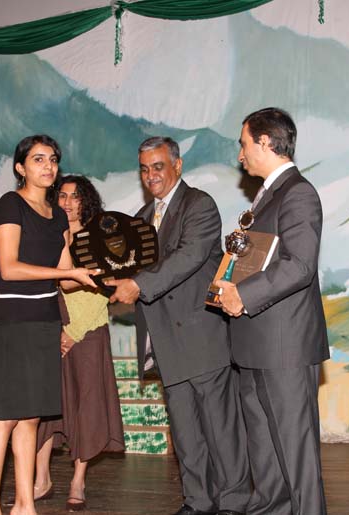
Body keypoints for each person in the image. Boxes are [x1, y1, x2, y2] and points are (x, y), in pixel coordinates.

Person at [106, 137, 251, 515]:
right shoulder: (139, 219)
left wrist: (137, 284)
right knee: (185, 431)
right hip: (165, 340)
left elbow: (187, 256)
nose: (151, 174)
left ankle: (233, 502)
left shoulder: (199, 204)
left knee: (221, 428)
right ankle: (197, 501)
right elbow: (127, 267)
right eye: (144, 168)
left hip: (202, 333)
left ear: (178, 165)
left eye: (158, 166)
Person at [214, 107, 329, 515]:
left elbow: (300, 265)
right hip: (255, 345)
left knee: (296, 459)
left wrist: (242, 295)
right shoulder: (267, 195)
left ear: (265, 142)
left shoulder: (298, 192)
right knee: (265, 458)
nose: (240, 155)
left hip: (284, 348)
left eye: (244, 144)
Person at [0, 135, 97, 515]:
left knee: (30, 417)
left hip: (47, 319)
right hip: (13, 320)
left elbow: (62, 277)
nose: (48, 167)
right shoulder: (10, 204)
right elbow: (9, 268)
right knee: (5, 414)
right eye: (38, 159)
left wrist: (97, 273)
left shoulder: (58, 215)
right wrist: (68, 272)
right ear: (20, 167)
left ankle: (25, 504)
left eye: (53, 160)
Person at [33, 175, 125, 512]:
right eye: (62, 196)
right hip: (50, 328)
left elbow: (104, 291)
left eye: (75, 196)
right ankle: (41, 478)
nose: (68, 202)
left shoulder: (100, 236)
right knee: (45, 406)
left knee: (87, 404)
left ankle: (77, 480)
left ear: (86, 200)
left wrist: (74, 332)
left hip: (87, 332)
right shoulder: (47, 235)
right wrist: (53, 328)